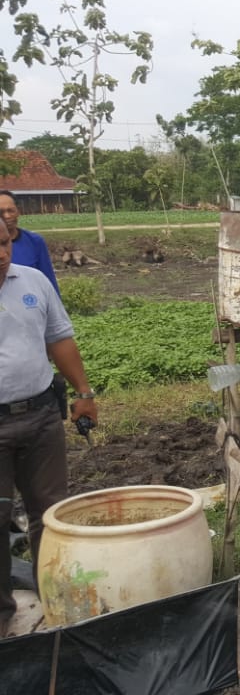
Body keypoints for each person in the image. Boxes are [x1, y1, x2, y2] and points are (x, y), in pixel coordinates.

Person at [0, 224, 97, 638]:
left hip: (40, 416)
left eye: (3, 244)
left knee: (50, 511)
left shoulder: (33, 280)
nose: (0, 254)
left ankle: (52, 596)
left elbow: (59, 339)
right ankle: (2, 613)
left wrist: (83, 392)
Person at [0, 190, 59, 294]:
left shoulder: (35, 242)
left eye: (11, 210)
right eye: (1, 212)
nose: (7, 216)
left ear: (18, 211)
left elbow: (49, 280)